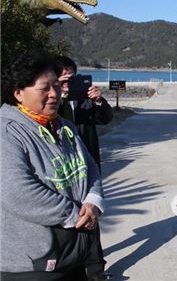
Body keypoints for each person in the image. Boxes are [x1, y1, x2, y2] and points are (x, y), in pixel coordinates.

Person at [0, 50, 104, 280]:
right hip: (31, 264)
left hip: (73, 254)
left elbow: (90, 166)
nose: (54, 93)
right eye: (44, 88)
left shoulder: (64, 126)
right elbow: (15, 191)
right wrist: (76, 213)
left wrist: (93, 200)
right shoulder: (7, 132)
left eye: (57, 85)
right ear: (18, 93)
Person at [55, 56, 113, 281]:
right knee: (68, 218)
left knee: (91, 214)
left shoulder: (85, 100)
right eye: (63, 77)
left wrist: (99, 101)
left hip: (88, 166)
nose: (68, 81)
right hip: (63, 170)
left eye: (71, 76)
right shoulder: (52, 102)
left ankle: (96, 270)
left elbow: (106, 118)